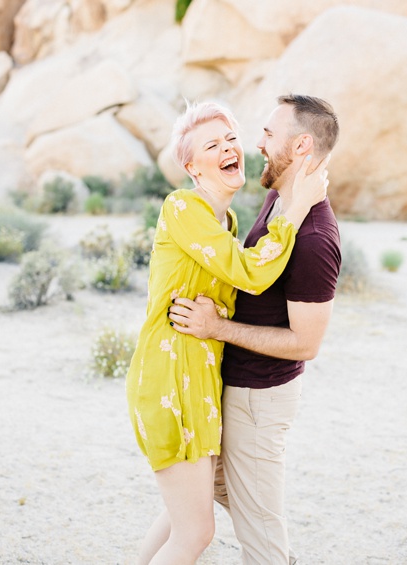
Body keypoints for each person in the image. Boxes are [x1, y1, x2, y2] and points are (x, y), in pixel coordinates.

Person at [125, 100, 329, 564]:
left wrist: (216, 324)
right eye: (212, 145)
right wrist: (295, 208)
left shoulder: (228, 222)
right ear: (191, 166)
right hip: (169, 382)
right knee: (196, 532)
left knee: (178, 521)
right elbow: (251, 274)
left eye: (231, 139)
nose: (230, 148)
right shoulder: (183, 207)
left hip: (201, 381)